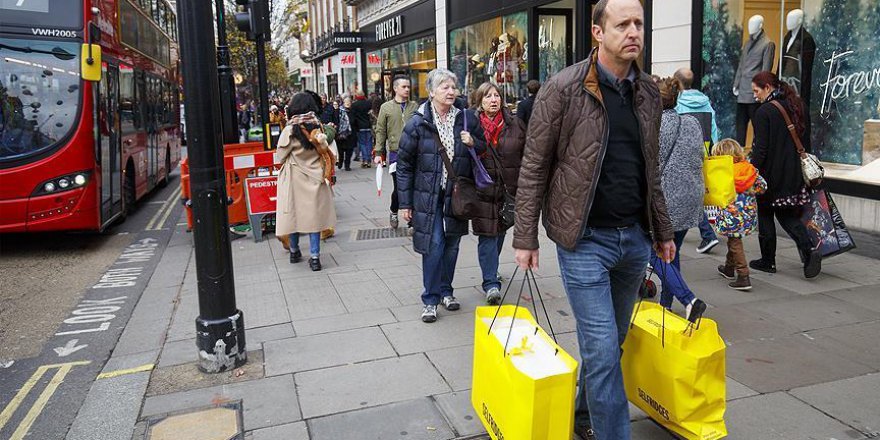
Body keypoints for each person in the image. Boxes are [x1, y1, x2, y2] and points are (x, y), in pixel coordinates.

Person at [512, 0, 675, 438]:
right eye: (622, 24)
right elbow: (534, 166)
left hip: (634, 239)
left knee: (611, 343)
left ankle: (584, 415)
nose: (634, 32)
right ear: (598, 33)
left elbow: (651, 168)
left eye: (639, 23)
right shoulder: (562, 89)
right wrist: (525, 237)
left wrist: (662, 231)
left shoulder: (648, 93)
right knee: (601, 350)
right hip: (583, 240)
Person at [397, 68, 486, 323]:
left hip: (456, 194)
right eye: (444, 87)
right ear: (431, 91)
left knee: (452, 244)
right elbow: (404, 165)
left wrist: (473, 143)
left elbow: (483, 148)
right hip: (428, 195)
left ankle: (447, 291)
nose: (451, 91)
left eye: (453, 87)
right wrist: (404, 203)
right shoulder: (418, 123)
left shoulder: (466, 118)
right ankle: (430, 299)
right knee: (434, 244)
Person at [749, 71, 820, 278]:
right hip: (794, 173)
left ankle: (768, 260)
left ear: (767, 88)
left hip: (771, 175)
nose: (755, 96)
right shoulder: (798, 105)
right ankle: (809, 250)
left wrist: (751, 171)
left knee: (766, 214)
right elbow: (806, 140)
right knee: (786, 214)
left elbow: (761, 149)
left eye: (756, 91)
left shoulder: (764, 112)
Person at [655, 77, 707, 322]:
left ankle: (689, 300)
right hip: (691, 195)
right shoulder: (692, 122)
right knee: (671, 250)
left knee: (650, 251)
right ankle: (665, 304)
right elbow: (701, 154)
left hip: (667, 199)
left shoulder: (656, 125)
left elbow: (652, 164)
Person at [471, 82, 527, 305]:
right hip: (482, 190)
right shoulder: (471, 125)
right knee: (487, 235)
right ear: (480, 101)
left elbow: (526, 154)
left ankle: (491, 269)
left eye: (496, 96)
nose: (493, 100)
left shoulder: (515, 124)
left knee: (500, 231)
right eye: (488, 96)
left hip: (508, 189)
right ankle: (491, 283)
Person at [275, 93, 337, 272]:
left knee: (294, 215)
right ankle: (315, 258)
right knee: (313, 218)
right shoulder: (318, 127)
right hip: (316, 177)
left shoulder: (290, 130)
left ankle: (294, 251)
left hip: (294, 178)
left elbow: (280, 156)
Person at [673, 67, 721, 254]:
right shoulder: (705, 102)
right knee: (695, 192)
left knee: (687, 193)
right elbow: (714, 129)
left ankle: (708, 234)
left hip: (684, 153)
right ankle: (706, 233)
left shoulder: (677, 102)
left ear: (677, 82)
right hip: (704, 149)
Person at [712, 139, 767, 290]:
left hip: (731, 216)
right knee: (733, 240)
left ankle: (743, 275)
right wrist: (750, 191)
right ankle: (729, 268)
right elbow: (763, 186)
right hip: (747, 215)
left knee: (735, 243)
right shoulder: (749, 169)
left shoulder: (722, 173)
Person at [374, 75, 420, 229]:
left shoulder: (414, 106)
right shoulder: (386, 107)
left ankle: (413, 221)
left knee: (415, 187)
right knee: (400, 188)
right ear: (395, 88)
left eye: (408, 87)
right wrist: (379, 153)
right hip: (396, 153)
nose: (407, 89)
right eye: (403, 87)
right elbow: (380, 131)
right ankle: (394, 210)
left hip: (415, 152)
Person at [350, 91, 374, 168]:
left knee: (362, 143)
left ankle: (365, 160)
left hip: (359, 127)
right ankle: (369, 160)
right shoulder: (368, 103)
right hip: (368, 126)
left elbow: (352, 118)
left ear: (357, 96)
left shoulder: (354, 105)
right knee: (369, 143)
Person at [335, 96, 355, 171]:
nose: (348, 103)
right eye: (346, 102)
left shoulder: (353, 111)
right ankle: (340, 162)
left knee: (349, 151)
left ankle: (347, 165)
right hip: (341, 134)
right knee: (341, 151)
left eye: (349, 102)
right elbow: (336, 120)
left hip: (350, 134)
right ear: (343, 102)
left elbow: (355, 121)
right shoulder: (339, 111)